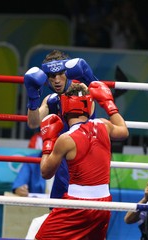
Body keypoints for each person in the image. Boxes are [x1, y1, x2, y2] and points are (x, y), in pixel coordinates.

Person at [24, 81, 129, 240]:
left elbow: (45, 172)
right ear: (89, 105)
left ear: (64, 108)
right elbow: (124, 131)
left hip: (77, 205)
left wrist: (48, 142)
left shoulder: (66, 139)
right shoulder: (104, 125)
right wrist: (109, 105)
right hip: (104, 203)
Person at [24, 49, 98, 200]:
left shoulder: (81, 90)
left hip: (85, 160)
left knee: (84, 211)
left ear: (68, 72)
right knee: (57, 209)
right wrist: (33, 97)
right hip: (63, 165)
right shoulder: (51, 100)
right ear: (47, 78)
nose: (57, 80)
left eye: (60, 74)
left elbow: (91, 109)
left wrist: (91, 80)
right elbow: (33, 123)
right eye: (52, 76)